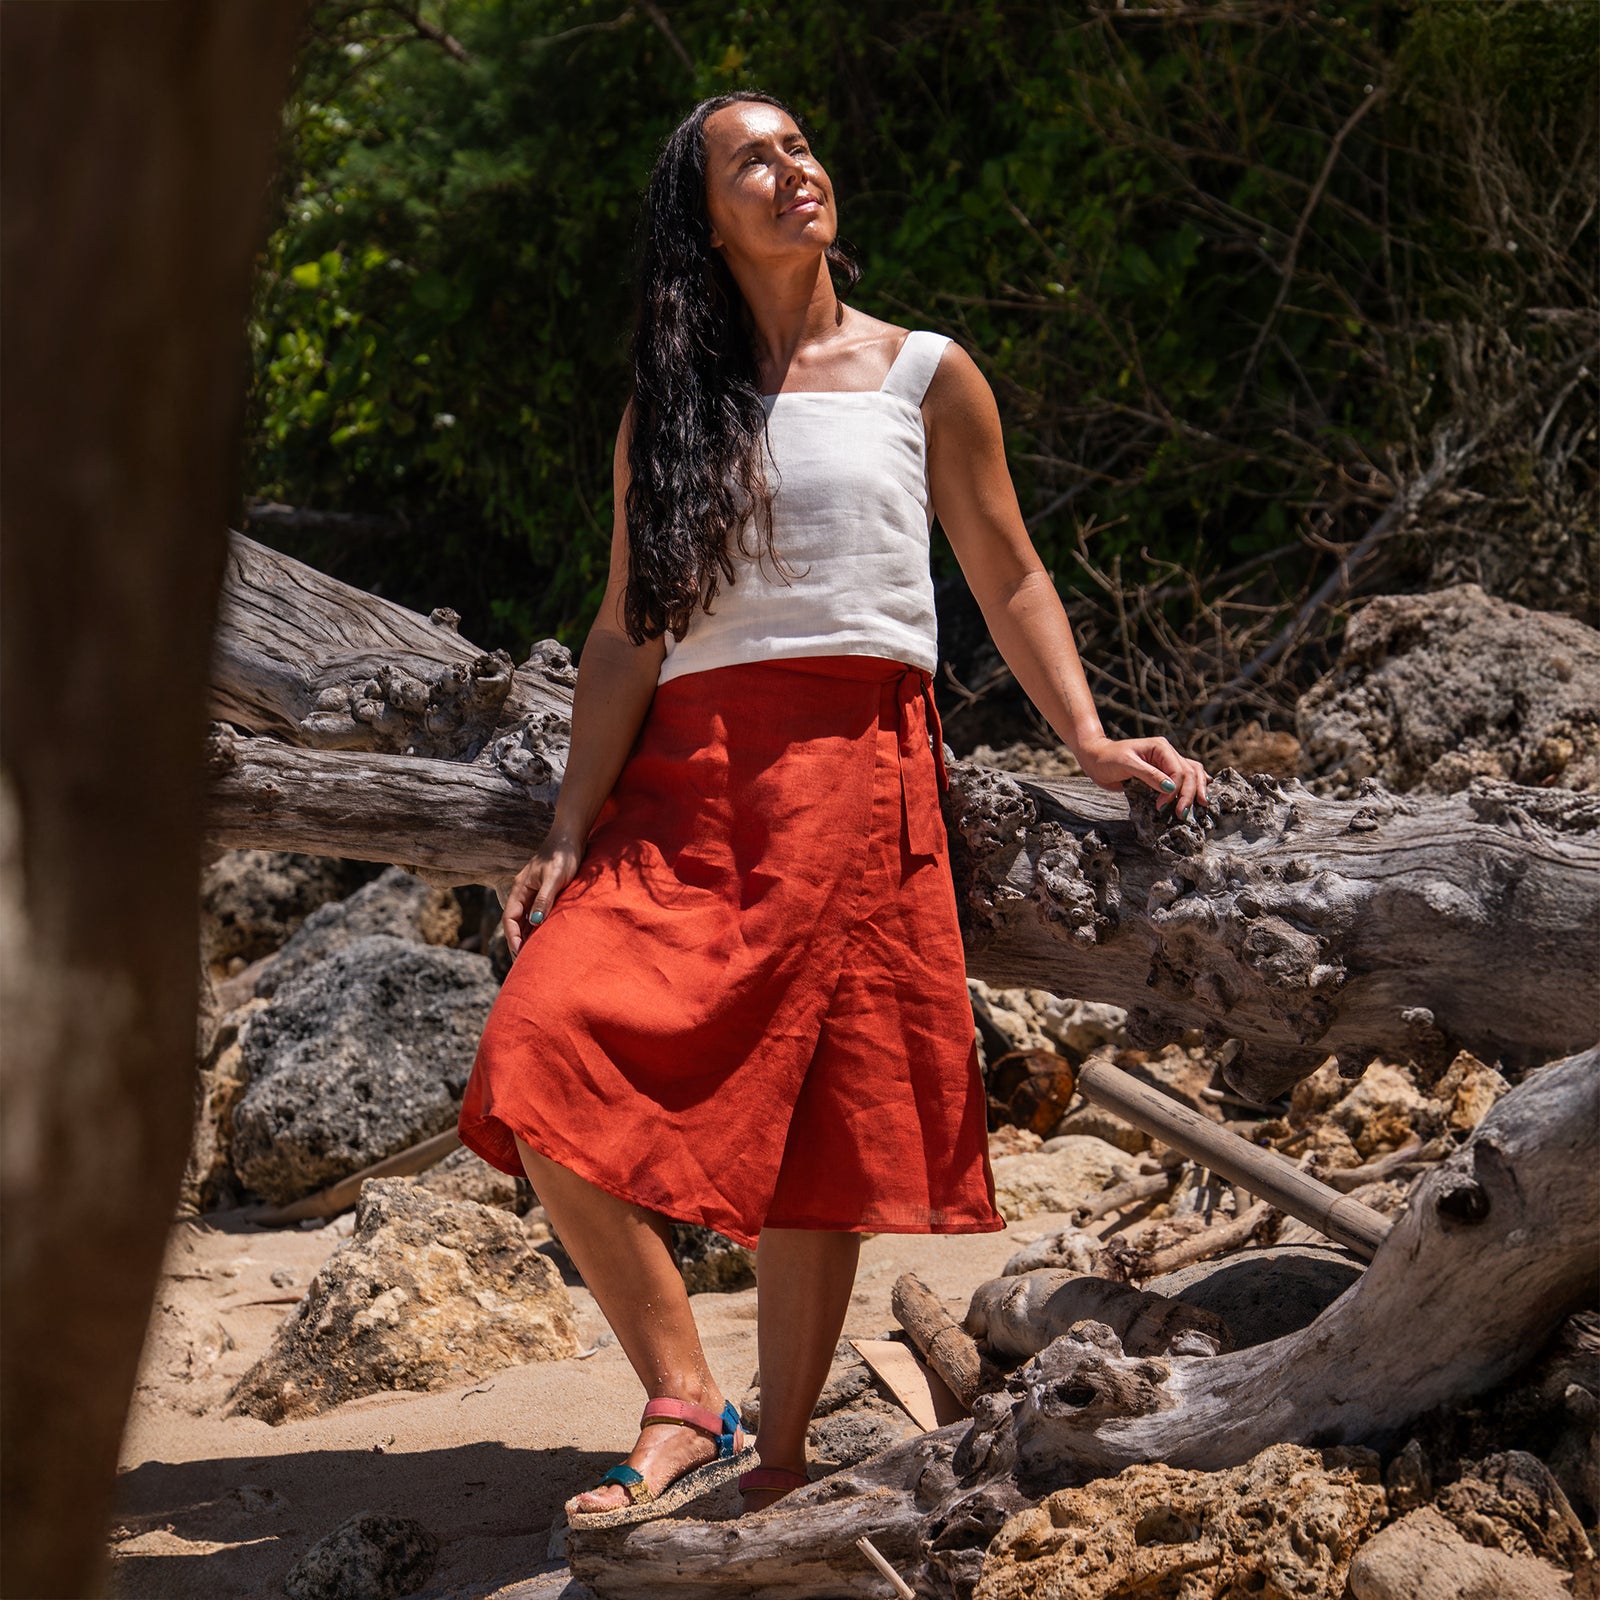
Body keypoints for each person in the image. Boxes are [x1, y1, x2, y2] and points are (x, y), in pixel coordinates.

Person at [456, 89, 1210, 1530]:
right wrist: (567, 823)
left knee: (824, 1129)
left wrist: (1089, 735)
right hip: (691, 786)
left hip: (861, 772)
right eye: (756, 160)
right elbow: (626, 631)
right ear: (707, 217)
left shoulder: (924, 371)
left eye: (800, 147)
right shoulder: (670, 408)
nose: (795, 170)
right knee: (537, 1046)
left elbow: (1009, 573)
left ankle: (785, 1458)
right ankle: (686, 1394)